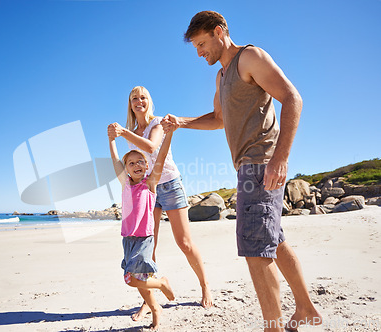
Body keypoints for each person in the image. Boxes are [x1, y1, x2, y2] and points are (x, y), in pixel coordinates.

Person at [160, 11, 322, 332]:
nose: (199, 52)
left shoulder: (250, 57)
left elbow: (292, 98)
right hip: (249, 167)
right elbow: (219, 118)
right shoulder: (221, 77)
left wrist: (281, 158)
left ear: (220, 32)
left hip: (261, 165)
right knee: (272, 240)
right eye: (195, 46)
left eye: (202, 43)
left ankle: (272, 327)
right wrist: (182, 122)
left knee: (255, 250)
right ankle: (304, 307)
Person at [108, 86, 213, 318]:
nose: (139, 101)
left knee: (184, 242)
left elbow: (152, 147)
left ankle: (205, 286)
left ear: (149, 101)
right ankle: (150, 300)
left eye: (143, 97)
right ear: (130, 104)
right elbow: (131, 167)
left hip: (169, 184)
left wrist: (123, 133)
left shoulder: (157, 123)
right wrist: (116, 138)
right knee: (148, 246)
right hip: (147, 191)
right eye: (134, 98)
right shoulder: (131, 133)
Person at [108, 124, 176, 331]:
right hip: (128, 238)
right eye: (131, 163)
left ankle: (162, 283)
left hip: (144, 238)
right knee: (138, 279)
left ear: (146, 166)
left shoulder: (150, 184)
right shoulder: (125, 184)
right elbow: (114, 160)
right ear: (126, 168)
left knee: (131, 279)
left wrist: (169, 134)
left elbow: (161, 156)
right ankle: (155, 309)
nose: (136, 165)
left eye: (140, 162)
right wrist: (111, 139)